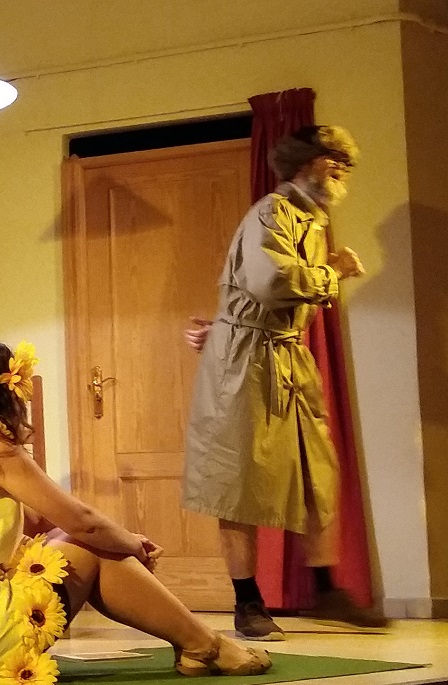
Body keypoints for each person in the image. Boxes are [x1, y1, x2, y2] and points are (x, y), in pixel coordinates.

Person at [0, 342, 272, 683]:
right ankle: (204, 645)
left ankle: (196, 643)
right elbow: (84, 523)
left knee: (75, 541)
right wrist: (131, 544)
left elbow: (43, 521)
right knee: (90, 545)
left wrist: (119, 540)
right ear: (9, 394)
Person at [183, 125, 388, 640]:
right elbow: (271, 281)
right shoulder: (273, 211)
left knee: (318, 472)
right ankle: (247, 603)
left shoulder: (311, 220)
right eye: (331, 156)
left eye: (346, 160)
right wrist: (334, 273)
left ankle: (325, 590)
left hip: (286, 357)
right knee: (237, 481)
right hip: (244, 364)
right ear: (303, 161)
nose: (340, 166)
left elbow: (264, 290)